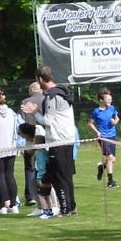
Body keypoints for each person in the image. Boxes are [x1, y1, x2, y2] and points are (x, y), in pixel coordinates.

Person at [36, 67, 79, 216]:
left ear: (40, 79)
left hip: (58, 141)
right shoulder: (63, 92)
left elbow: (47, 121)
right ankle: (72, 206)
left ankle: (65, 209)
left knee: (59, 177)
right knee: (67, 176)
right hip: (68, 139)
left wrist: (34, 113)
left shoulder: (52, 96)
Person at [90, 88, 121, 188]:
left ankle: (101, 167)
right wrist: (97, 132)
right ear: (101, 100)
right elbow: (90, 123)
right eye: (107, 100)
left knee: (113, 159)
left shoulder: (112, 108)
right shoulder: (96, 112)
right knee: (110, 158)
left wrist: (115, 122)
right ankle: (110, 182)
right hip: (103, 138)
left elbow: (117, 118)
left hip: (112, 136)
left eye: (110, 100)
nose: (110, 102)